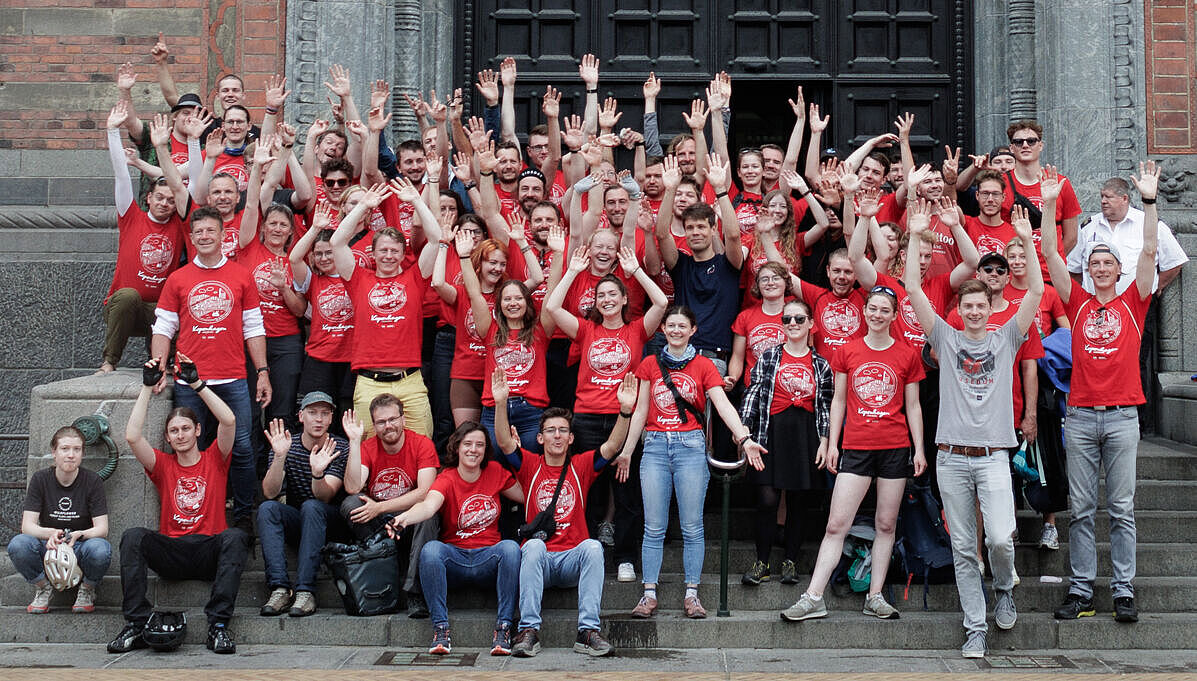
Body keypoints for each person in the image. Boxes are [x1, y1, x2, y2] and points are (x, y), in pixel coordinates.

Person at [905, 198, 1043, 658]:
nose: (976, 311)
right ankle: (975, 626)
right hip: (951, 457)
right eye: (968, 305)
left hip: (993, 457)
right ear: (960, 309)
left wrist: (1024, 240)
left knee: (1001, 538)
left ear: (991, 306)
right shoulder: (945, 336)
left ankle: (1005, 587)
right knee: (965, 548)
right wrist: (915, 234)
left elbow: (1038, 294)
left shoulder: (1007, 337)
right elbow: (913, 289)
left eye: (982, 304)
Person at [1042, 163, 1161, 625]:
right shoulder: (1077, 300)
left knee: (1123, 508)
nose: (1101, 268)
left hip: (1122, 417)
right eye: (1094, 264)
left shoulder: (1135, 301)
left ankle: (1124, 590)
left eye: (1108, 263)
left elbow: (1149, 250)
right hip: (1082, 416)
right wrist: (1050, 203)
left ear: (1118, 269)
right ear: (1088, 271)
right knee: (1084, 509)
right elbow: (1051, 254)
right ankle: (1081, 590)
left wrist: (1148, 203)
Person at [779, 286, 925, 622]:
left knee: (886, 525)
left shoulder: (906, 354)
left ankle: (875, 595)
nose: (876, 315)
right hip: (856, 446)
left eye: (884, 310)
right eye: (872, 308)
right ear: (864, 311)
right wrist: (831, 442)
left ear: (893, 315)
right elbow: (839, 400)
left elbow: (913, 405)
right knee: (836, 525)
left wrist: (919, 448)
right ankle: (813, 596)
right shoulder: (847, 350)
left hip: (894, 446)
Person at [621, 306, 767, 619]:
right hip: (657, 446)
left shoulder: (702, 365)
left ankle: (692, 594)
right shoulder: (650, 363)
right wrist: (628, 450)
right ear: (662, 329)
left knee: (692, 526)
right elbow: (641, 410)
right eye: (670, 325)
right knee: (654, 527)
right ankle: (648, 594)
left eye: (681, 326)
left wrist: (743, 437)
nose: (675, 331)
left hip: (689, 445)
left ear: (693, 330)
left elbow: (722, 403)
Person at [543, 230, 669, 584]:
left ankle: (625, 557)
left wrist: (636, 271)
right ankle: (580, 549)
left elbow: (660, 303)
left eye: (613, 293)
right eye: (601, 294)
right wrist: (571, 271)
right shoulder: (585, 330)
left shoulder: (636, 331)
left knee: (626, 491)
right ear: (595, 302)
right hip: (584, 419)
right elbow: (552, 308)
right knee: (587, 489)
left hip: (623, 419)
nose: (607, 299)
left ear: (624, 299)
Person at [108, 354, 250, 655]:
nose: (181, 434)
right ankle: (137, 623)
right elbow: (132, 436)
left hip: (209, 550)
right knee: (133, 536)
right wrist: (147, 388)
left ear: (198, 431)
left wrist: (197, 384)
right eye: (174, 431)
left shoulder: (216, 458)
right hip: (173, 553)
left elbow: (229, 419)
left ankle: (219, 626)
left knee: (236, 536)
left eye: (186, 428)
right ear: (168, 439)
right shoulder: (163, 465)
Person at [494, 369, 637, 658]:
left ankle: (587, 632)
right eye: (550, 431)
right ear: (540, 438)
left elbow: (610, 447)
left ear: (571, 438)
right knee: (532, 545)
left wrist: (624, 411)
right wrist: (500, 403)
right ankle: (529, 631)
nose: (557, 436)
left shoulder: (581, 466)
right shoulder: (530, 465)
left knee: (594, 547)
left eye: (562, 431)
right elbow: (505, 443)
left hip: (573, 559)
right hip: (540, 561)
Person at [150, 207, 270, 534]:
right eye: (198, 232)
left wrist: (262, 371)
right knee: (192, 452)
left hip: (232, 378)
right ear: (192, 237)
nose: (204, 237)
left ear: (222, 235)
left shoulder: (241, 275)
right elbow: (163, 327)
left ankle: (244, 518)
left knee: (243, 449)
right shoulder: (178, 278)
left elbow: (254, 327)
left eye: (210, 231)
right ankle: (199, 516)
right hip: (189, 381)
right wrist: (159, 367)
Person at [387, 422, 524, 656]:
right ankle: (440, 629)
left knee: (511, 548)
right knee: (431, 550)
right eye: (468, 444)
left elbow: (525, 495)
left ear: (485, 450)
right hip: (455, 560)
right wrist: (405, 518)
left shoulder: (494, 471)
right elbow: (429, 506)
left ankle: (503, 629)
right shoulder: (447, 478)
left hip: (487, 559)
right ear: (457, 447)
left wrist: (520, 460)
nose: (473, 450)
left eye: (479, 445)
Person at [330, 180, 442, 437]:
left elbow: (436, 239)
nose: (389, 255)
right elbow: (337, 243)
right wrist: (363, 207)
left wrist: (416, 201)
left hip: (410, 380)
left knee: (422, 445)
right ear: (373, 253)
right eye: (383, 250)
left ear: (404, 254)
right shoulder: (358, 280)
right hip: (369, 382)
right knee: (367, 449)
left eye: (395, 251)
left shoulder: (415, 278)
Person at [738, 300, 833, 586]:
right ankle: (762, 562)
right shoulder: (769, 357)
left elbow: (827, 406)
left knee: (798, 501)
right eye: (788, 319)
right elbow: (753, 393)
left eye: (799, 319)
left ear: (810, 324)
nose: (793, 323)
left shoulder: (821, 364)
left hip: (806, 434)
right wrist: (744, 429)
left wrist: (825, 441)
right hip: (771, 432)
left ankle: (790, 561)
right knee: (767, 499)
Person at [100, 101, 190, 374]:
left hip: (160, 313)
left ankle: (166, 364)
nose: (165, 204)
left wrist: (195, 143)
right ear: (148, 198)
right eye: (159, 198)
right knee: (127, 296)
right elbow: (121, 175)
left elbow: (194, 181)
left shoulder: (179, 224)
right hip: (124, 308)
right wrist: (112, 131)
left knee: (178, 305)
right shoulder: (131, 217)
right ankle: (108, 362)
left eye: (171, 200)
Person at [341, 394, 440, 617]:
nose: (388, 426)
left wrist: (380, 507)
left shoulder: (422, 444)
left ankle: (415, 593)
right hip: (380, 525)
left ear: (403, 420)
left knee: (429, 514)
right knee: (350, 504)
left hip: (411, 519)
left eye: (393, 419)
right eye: (381, 422)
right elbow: (352, 486)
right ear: (374, 425)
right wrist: (354, 443)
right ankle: (383, 569)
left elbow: (425, 492)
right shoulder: (368, 447)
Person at [256, 392, 349, 618]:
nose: (318, 419)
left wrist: (317, 473)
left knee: (312, 506)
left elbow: (325, 497)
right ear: (301, 416)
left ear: (331, 419)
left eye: (324, 414)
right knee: (267, 509)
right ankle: (280, 588)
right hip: (301, 521)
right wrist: (279, 457)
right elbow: (269, 492)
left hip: (332, 524)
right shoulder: (287, 444)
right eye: (312, 413)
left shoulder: (339, 446)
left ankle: (306, 591)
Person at [8, 426, 111, 614]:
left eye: (76, 449)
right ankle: (43, 587)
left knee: (101, 549)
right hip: (48, 546)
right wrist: (50, 533)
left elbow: (102, 529)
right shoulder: (40, 479)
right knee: (18, 545)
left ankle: (87, 590)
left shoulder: (92, 481)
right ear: (54, 452)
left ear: (82, 453)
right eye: (65, 449)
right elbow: (27, 526)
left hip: (79, 546)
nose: (71, 455)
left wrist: (79, 535)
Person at [289, 204, 356, 416]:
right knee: (318, 414)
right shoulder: (313, 280)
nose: (324, 258)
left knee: (347, 415)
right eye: (318, 254)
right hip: (320, 358)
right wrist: (315, 229)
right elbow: (294, 259)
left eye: (329, 252)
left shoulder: (355, 276)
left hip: (351, 359)